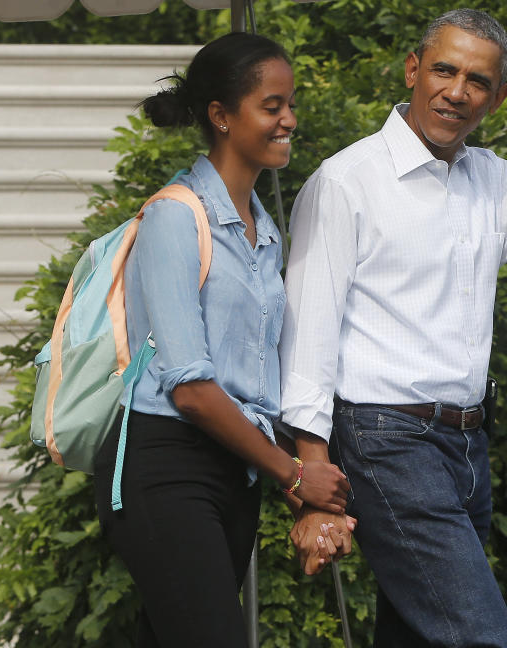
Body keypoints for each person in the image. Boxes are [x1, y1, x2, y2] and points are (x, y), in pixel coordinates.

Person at [279, 5, 507, 647]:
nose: (456, 91)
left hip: (467, 447)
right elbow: (307, 332)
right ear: (413, 70)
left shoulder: (490, 182)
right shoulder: (346, 182)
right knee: (480, 636)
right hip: (384, 440)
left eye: (476, 81)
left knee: (417, 637)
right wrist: (311, 474)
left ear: (495, 99)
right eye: (444, 70)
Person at [92, 32, 350, 648]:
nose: (289, 120)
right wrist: (294, 478)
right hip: (165, 468)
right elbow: (194, 391)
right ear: (221, 115)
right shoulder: (175, 217)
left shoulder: (265, 230)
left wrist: (305, 493)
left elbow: (259, 384)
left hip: (235, 472)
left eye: (291, 104)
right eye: (272, 105)